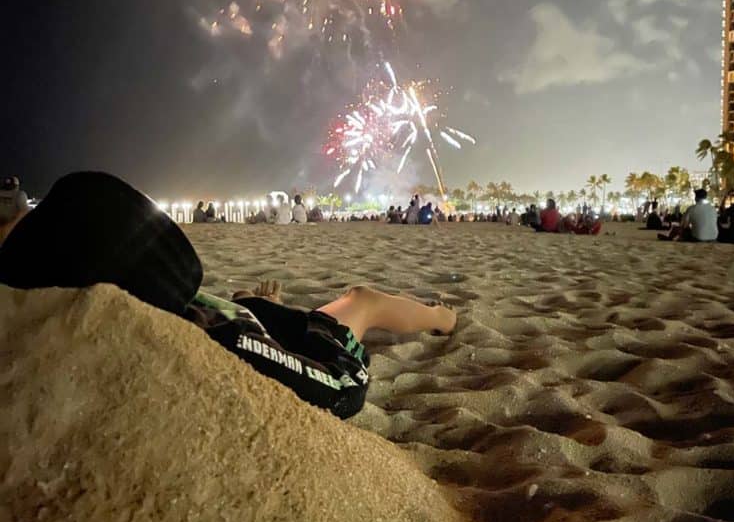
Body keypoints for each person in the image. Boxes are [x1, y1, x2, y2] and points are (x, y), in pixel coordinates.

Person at [0, 172, 457, 421]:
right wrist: (273, 317)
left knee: (268, 309)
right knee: (362, 300)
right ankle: (443, 318)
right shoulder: (217, 343)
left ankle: (266, 307)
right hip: (297, 360)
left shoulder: (71, 282)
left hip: (222, 312)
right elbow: (309, 379)